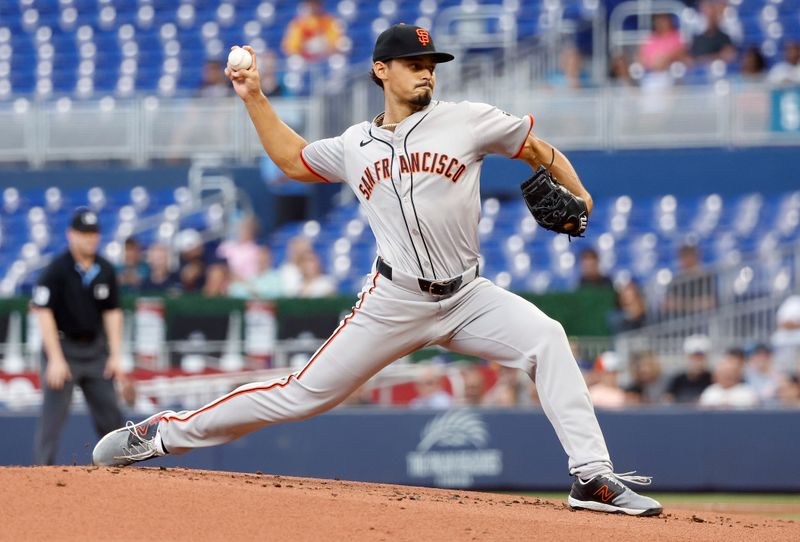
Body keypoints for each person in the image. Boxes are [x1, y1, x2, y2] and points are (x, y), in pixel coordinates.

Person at [94, 25, 662, 517]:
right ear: (380, 70)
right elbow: (293, 160)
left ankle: (592, 476)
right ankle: (162, 434)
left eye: (431, 65)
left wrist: (580, 195)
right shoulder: (353, 145)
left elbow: (538, 149)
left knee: (546, 337)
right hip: (394, 300)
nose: (426, 74)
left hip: (468, 296)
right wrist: (254, 97)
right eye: (414, 65)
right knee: (301, 394)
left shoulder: (469, 121)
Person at [32, 208, 125, 465]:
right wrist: (55, 358)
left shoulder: (105, 268)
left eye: (94, 233)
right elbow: (43, 311)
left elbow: (113, 312)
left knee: (112, 418)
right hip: (64, 349)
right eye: (84, 233)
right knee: (52, 420)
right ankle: (41, 475)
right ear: (70, 235)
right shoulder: (57, 269)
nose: (90, 239)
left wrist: (116, 355)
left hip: (95, 350)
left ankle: (122, 473)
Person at [661, 243, 717, 316]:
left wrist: (680, 304)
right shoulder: (676, 280)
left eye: (688, 255)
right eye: (683, 256)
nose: (685, 260)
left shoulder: (706, 277)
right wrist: (694, 304)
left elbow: (710, 303)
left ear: (696, 257)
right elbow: (666, 304)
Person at [663, 334, 713, 404]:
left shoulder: (712, 379)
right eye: (693, 357)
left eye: (700, 357)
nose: (697, 361)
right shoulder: (677, 380)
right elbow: (667, 400)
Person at [689, 0, 736, 66]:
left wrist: (702, 60)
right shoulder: (697, 40)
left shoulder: (724, 38)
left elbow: (729, 55)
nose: (710, 17)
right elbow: (690, 60)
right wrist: (716, 56)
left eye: (713, 13)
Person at [216, 217, 262, 282]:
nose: (240, 231)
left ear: (252, 232)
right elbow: (216, 262)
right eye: (241, 228)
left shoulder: (255, 251)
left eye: (245, 229)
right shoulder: (227, 244)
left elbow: (251, 276)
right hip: (221, 276)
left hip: (239, 282)